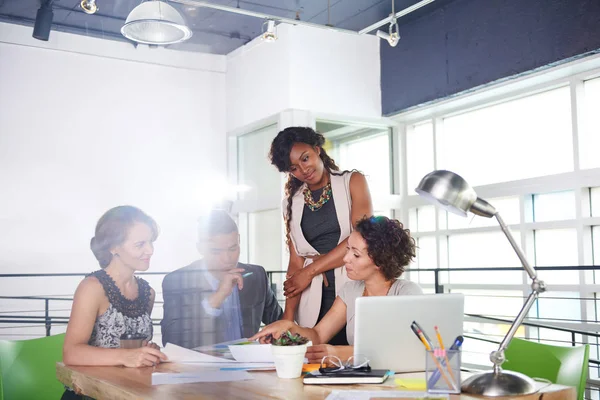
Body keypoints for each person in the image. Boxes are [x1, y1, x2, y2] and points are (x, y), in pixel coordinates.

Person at [250, 215, 422, 363]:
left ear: (380, 261)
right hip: (361, 379)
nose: (346, 258)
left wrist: (341, 353)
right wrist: (288, 328)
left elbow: (402, 350)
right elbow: (317, 336)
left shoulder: (406, 293)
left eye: (355, 254)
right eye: (347, 249)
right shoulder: (350, 291)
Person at [269, 126, 373, 345]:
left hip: (353, 286)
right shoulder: (290, 203)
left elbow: (362, 238)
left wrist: (311, 270)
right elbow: (296, 263)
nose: (303, 170)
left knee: (359, 356)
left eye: (305, 158)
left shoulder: (352, 181)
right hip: (311, 299)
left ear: (317, 150)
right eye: (293, 168)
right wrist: (288, 318)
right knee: (315, 363)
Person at [62, 206, 167, 399]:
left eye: (151, 242)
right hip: (90, 394)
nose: (150, 250)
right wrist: (127, 356)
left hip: (129, 391)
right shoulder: (92, 288)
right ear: (113, 247)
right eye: (140, 244)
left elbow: (131, 348)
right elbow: (71, 352)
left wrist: (146, 351)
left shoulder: (148, 293)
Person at [161, 209, 283, 349]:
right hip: (200, 368)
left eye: (232, 249)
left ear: (239, 241)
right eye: (216, 251)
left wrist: (271, 337)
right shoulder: (178, 282)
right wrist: (216, 298)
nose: (227, 259)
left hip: (249, 365)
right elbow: (172, 342)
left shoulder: (256, 276)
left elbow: (281, 325)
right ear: (201, 248)